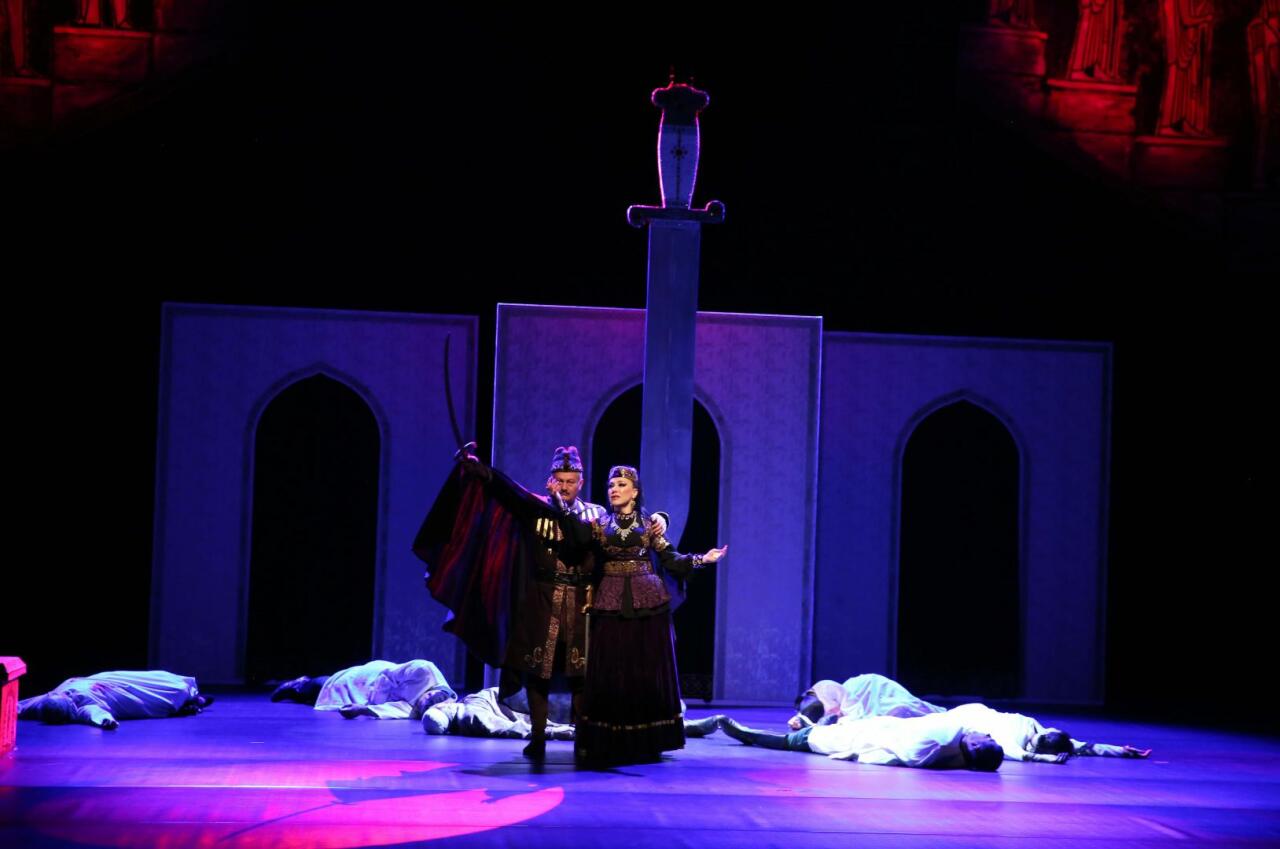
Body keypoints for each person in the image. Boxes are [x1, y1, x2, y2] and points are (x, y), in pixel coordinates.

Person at [413, 445, 667, 760]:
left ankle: (583, 738)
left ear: (581, 482)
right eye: (560, 480)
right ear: (550, 480)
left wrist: (660, 518)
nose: (565, 487)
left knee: (581, 674)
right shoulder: (534, 507)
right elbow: (508, 492)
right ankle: (537, 737)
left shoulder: (597, 515)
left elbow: (629, 524)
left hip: (581, 602)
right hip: (542, 599)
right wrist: (484, 473)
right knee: (537, 671)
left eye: (571, 481)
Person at [562, 465, 726, 765]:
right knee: (611, 669)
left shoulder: (649, 525)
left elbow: (671, 559)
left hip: (648, 602)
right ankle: (609, 739)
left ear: (635, 492)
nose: (614, 490)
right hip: (611, 601)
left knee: (645, 671)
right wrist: (561, 503)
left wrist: (703, 558)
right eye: (611, 485)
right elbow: (574, 538)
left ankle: (648, 741)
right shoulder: (599, 524)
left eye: (621, 485)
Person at [720, 711, 1005, 771]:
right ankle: (809, 723)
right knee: (812, 732)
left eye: (982, 742)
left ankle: (740, 732)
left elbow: (910, 755)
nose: (983, 735)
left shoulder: (937, 745)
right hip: (869, 726)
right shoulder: (957, 730)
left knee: (794, 740)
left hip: (851, 735)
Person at [18, 670, 211, 729]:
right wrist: (105, 721)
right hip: (122, 692)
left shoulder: (50, 698)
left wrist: (12, 708)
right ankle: (190, 700)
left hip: (112, 679)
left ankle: (191, 699)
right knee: (170, 691)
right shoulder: (81, 707)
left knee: (158, 678)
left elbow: (24, 705)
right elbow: (94, 713)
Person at [269, 659, 456, 720]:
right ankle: (301, 683)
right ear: (431, 693)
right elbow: (389, 676)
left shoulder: (432, 705)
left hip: (371, 698)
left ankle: (300, 693)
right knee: (333, 684)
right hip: (373, 679)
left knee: (332, 699)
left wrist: (364, 709)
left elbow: (400, 710)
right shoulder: (424, 670)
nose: (418, 706)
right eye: (422, 703)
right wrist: (374, 700)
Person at [788, 673, 945, 730]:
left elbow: (851, 714)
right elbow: (811, 716)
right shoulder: (809, 702)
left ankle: (940, 714)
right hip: (860, 696)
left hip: (874, 689)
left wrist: (838, 721)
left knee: (904, 706)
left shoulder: (826, 687)